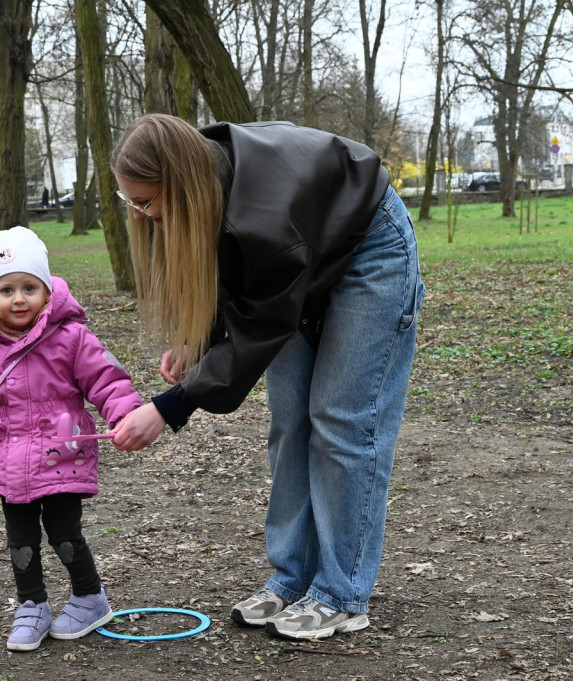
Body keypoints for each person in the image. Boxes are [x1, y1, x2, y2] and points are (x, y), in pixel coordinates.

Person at [109, 115, 424, 641]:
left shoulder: (263, 218)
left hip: (369, 246)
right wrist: (202, 340)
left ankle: (342, 594)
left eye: (146, 203)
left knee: (340, 419)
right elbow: (235, 271)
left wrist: (168, 407)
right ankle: (293, 575)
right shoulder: (206, 176)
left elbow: (262, 320)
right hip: (305, 250)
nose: (141, 217)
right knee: (291, 419)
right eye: (131, 203)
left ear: (181, 187)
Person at [0, 226, 143, 652]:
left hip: (61, 454)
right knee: (20, 537)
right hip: (7, 460)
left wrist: (127, 415)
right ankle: (32, 605)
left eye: (29, 287)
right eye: (6, 289)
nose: (19, 298)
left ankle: (89, 596)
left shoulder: (70, 337)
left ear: (47, 290)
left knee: (64, 530)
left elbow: (106, 378)